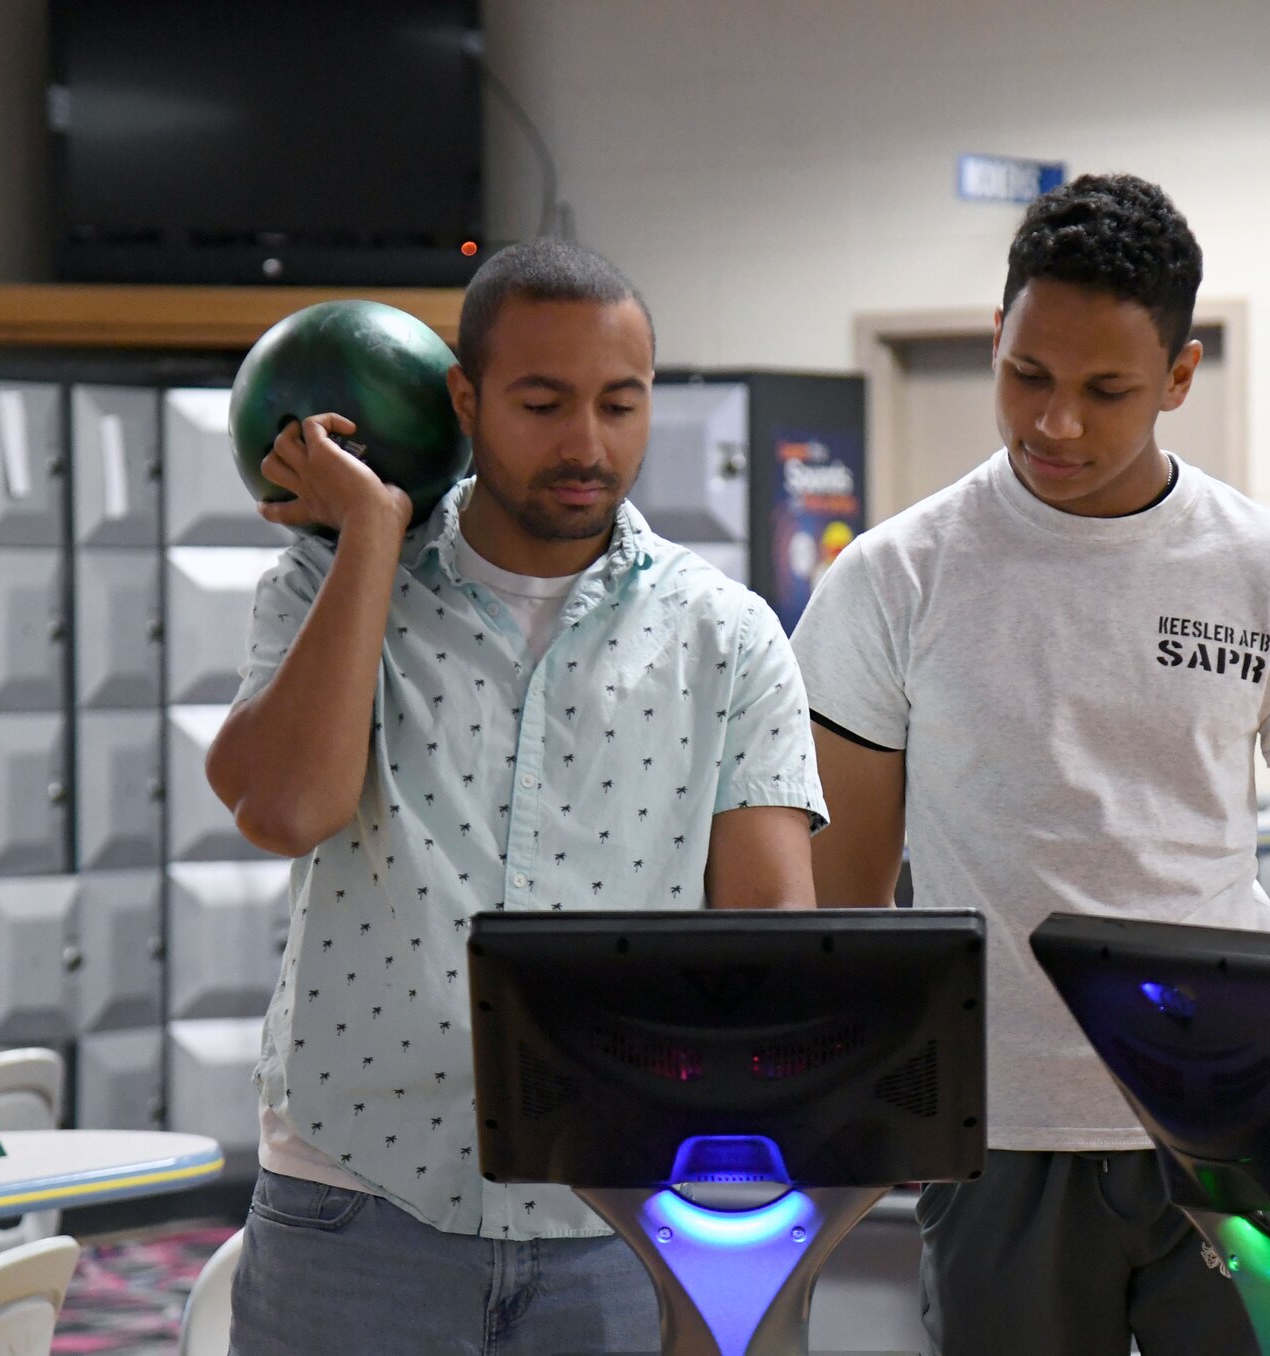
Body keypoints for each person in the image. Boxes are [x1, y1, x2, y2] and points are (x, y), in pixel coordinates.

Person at [791, 172, 1270, 1356]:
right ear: (996, 340)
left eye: (1105, 390)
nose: (1054, 423)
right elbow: (845, 914)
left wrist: (1227, 1079)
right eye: (1027, 376)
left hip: (1239, 1136)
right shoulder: (890, 579)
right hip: (1005, 1133)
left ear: (1177, 379)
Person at [205, 239, 825, 1356]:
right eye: (541, 403)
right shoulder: (325, 573)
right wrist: (373, 539)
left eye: (618, 404)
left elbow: (768, 939)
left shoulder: (725, 635)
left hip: (617, 1221)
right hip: (355, 1200)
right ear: (465, 398)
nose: (586, 444)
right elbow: (284, 807)